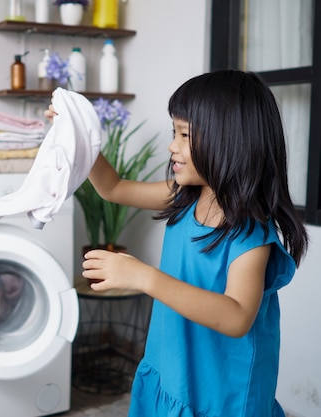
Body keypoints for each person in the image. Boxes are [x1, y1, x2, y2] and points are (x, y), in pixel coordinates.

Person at [46, 69, 309, 416]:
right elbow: (113, 188)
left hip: (221, 393)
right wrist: (78, 136)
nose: (173, 145)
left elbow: (237, 317)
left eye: (185, 134)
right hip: (173, 369)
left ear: (229, 140)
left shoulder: (251, 233)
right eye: (175, 132)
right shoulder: (182, 197)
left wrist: (144, 277)